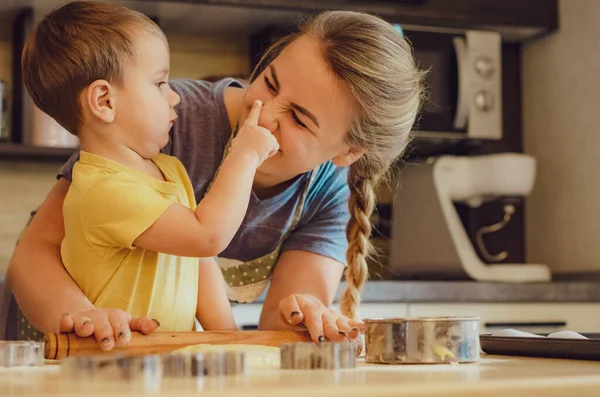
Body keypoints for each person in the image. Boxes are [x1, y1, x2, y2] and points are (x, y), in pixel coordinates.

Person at [6, 4, 424, 349]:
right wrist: (83, 322)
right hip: (59, 337)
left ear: (347, 152)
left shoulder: (326, 192)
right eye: (270, 82)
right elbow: (33, 254)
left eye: (298, 118)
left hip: (146, 357)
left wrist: (300, 317)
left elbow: (276, 332)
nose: (263, 113)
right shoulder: (164, 121)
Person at [17, 1, 280, 346]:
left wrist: (230, 340)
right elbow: (207, 237)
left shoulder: (168, 169)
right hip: (111, 366)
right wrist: (244, 154)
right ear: (104, 102)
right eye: (160, 83)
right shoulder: (101, 189)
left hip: (162, 362)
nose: (175, 98)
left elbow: (200, 259)